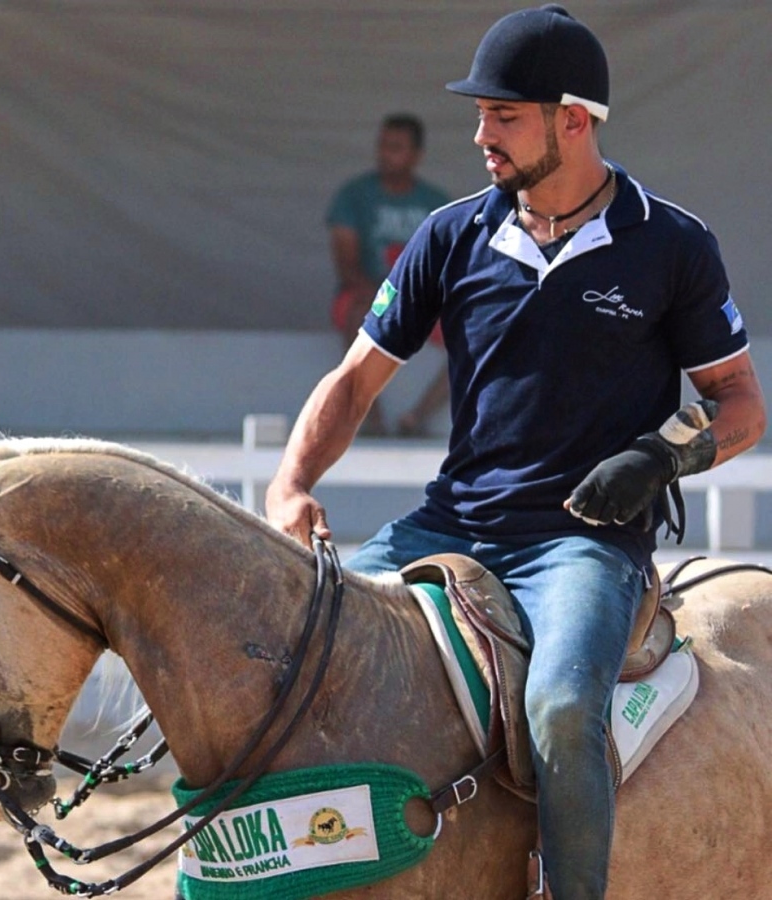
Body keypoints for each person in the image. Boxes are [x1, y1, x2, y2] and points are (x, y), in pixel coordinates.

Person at [267, 5, 767, 898]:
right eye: (479, 114)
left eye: (502, 115)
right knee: (292, 652)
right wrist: (292, 483)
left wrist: (662, 458)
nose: (479, 135)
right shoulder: (450, 233)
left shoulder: (672, 244)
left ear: (571, 120)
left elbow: (740, 405)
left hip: (583, 546)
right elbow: (354, 381)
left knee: (564, 708)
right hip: (446, 524)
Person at [326, 113, 451, 436]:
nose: (385, 154)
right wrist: (390, 296)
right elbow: (346, 267)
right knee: (357, 311)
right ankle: (371, 418)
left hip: (423, 301)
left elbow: (449, 267)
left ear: (416, 155)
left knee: (476, 328)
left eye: (395, 147)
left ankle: (417, 417)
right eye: (382, 145)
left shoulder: (437, 203)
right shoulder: (353, 196)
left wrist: (424, 300)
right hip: (371, 296)